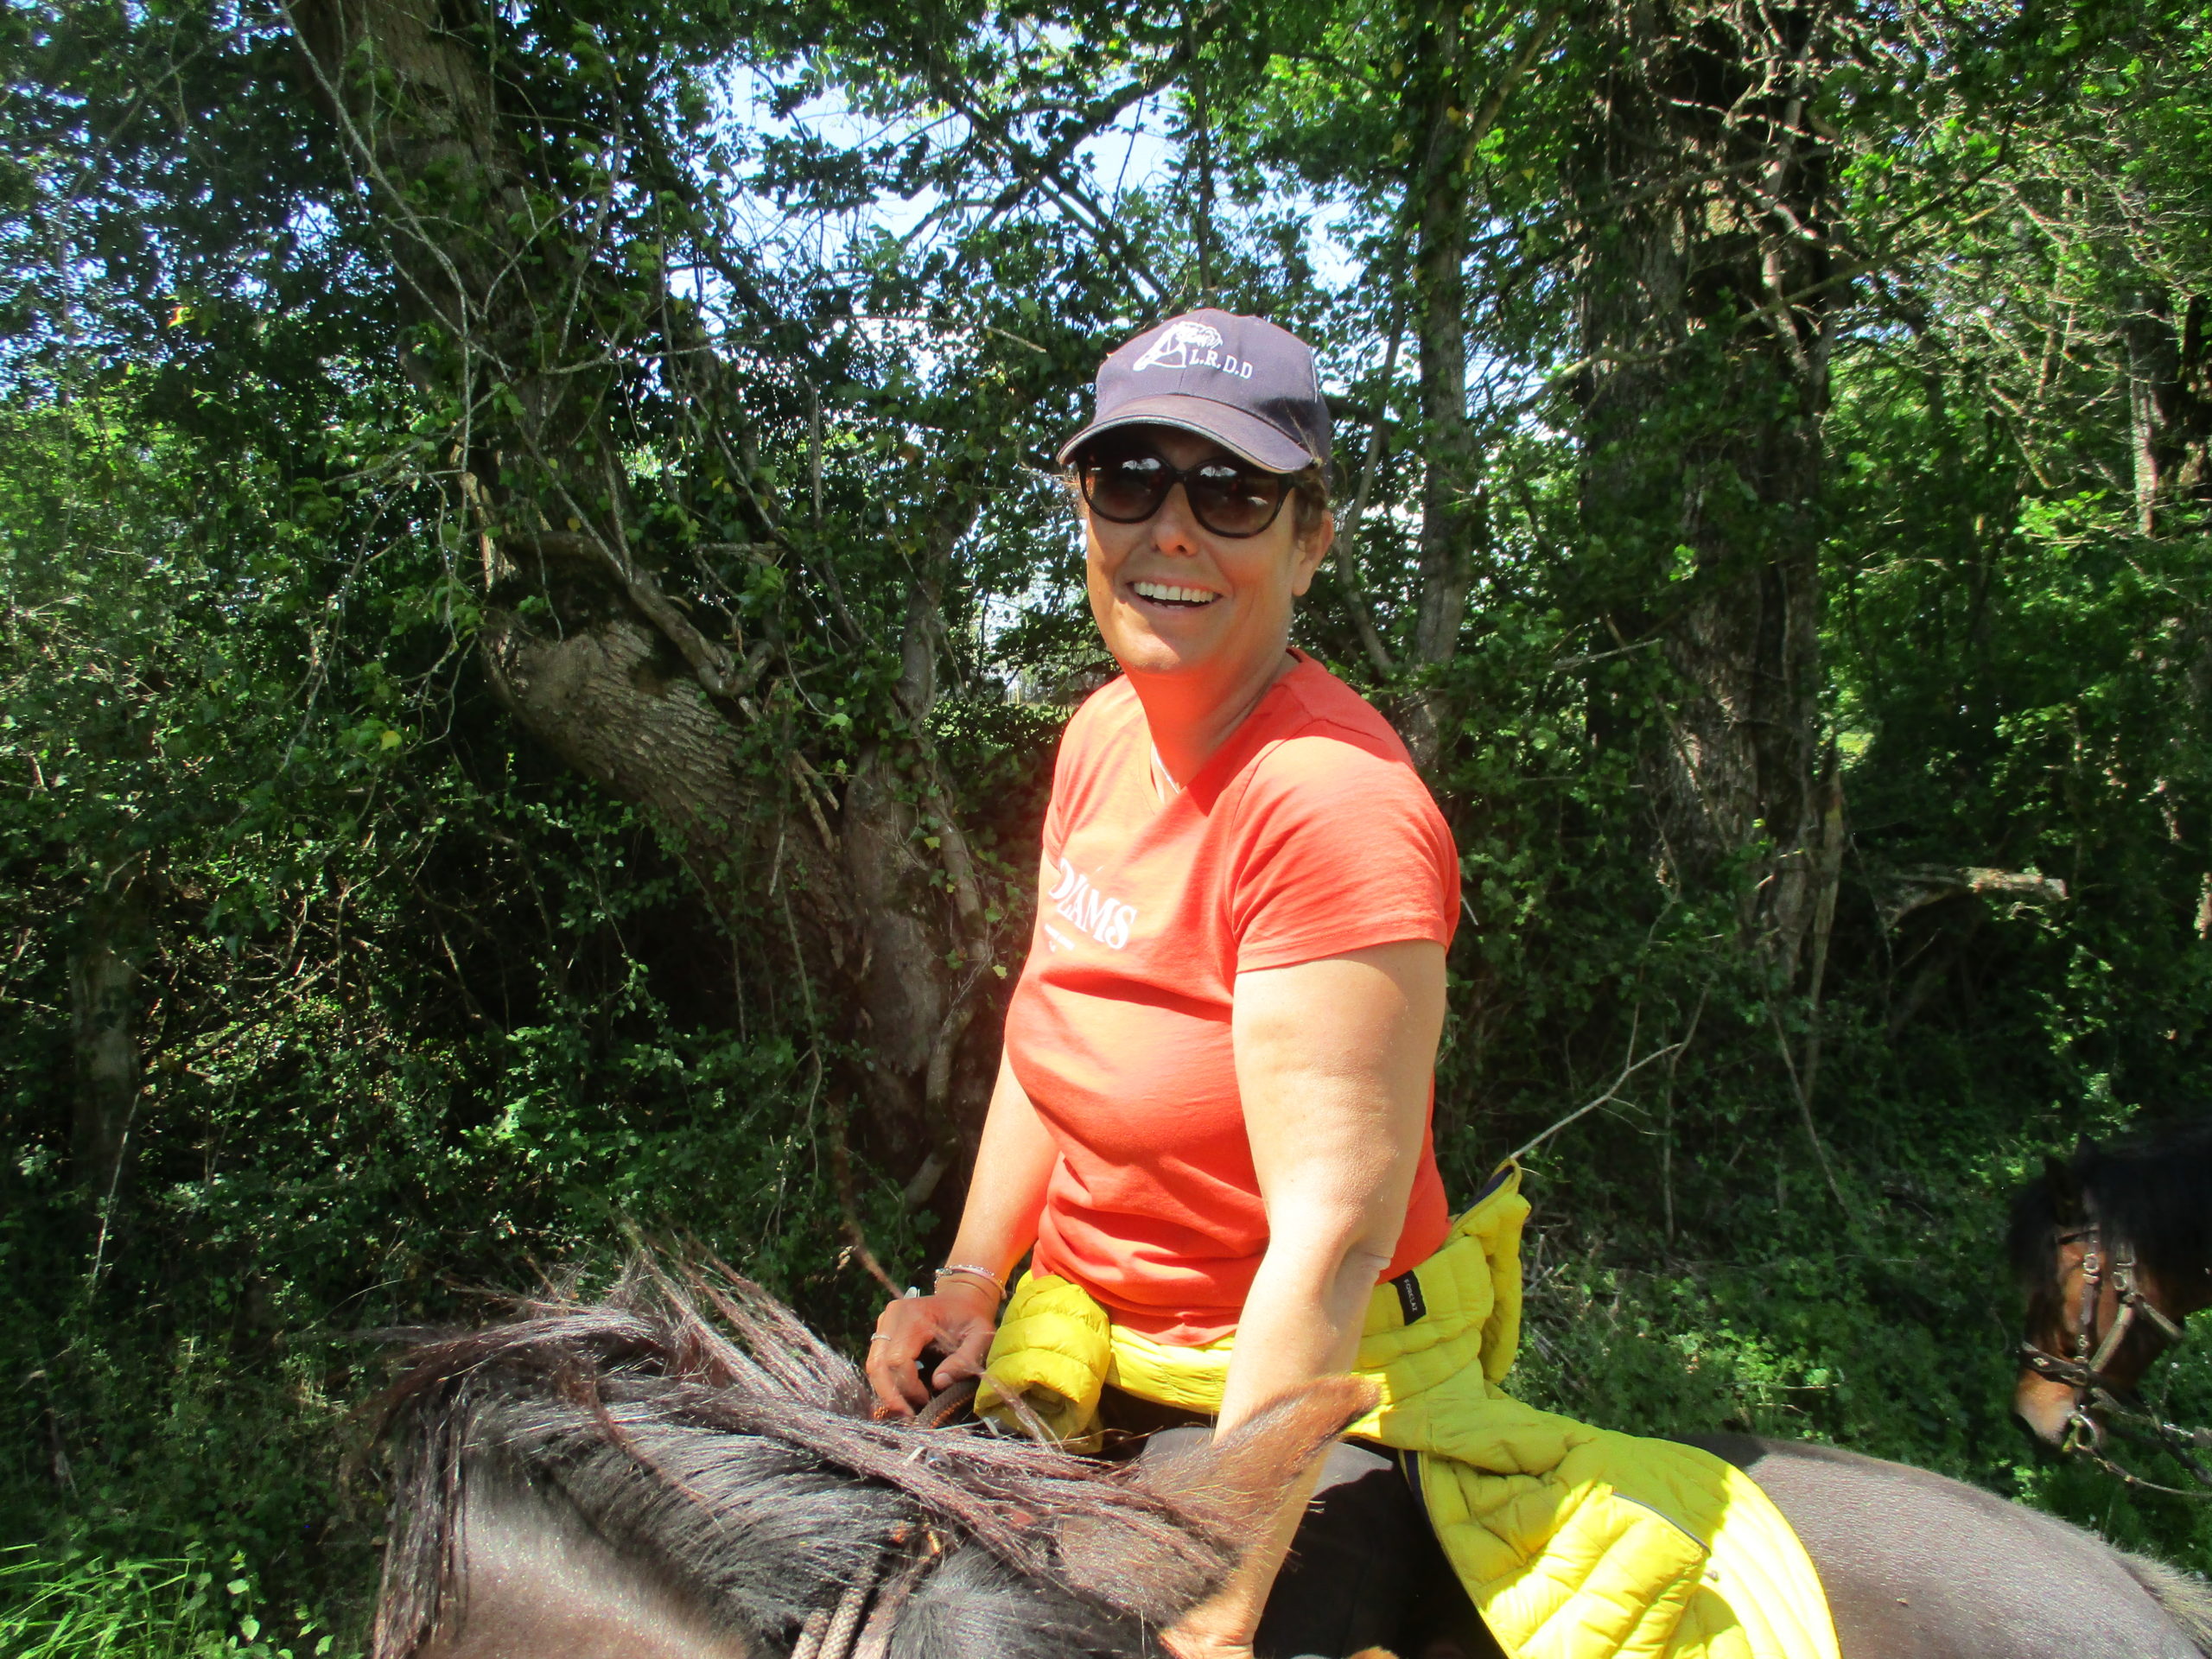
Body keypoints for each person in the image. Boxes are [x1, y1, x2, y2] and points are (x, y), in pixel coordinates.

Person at [866, 309, 1463, 1659]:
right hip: (1085, 1327)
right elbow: (1052, 1022)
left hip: (1284, 1385)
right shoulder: (1100, 733)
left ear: (1311, 540)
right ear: (1086, 509)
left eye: (1234, 492)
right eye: (1130, 480)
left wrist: (1219, 1589)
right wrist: (969, 1278)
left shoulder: (1332, 810)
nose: (1171, 530)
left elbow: (1331, 1239)